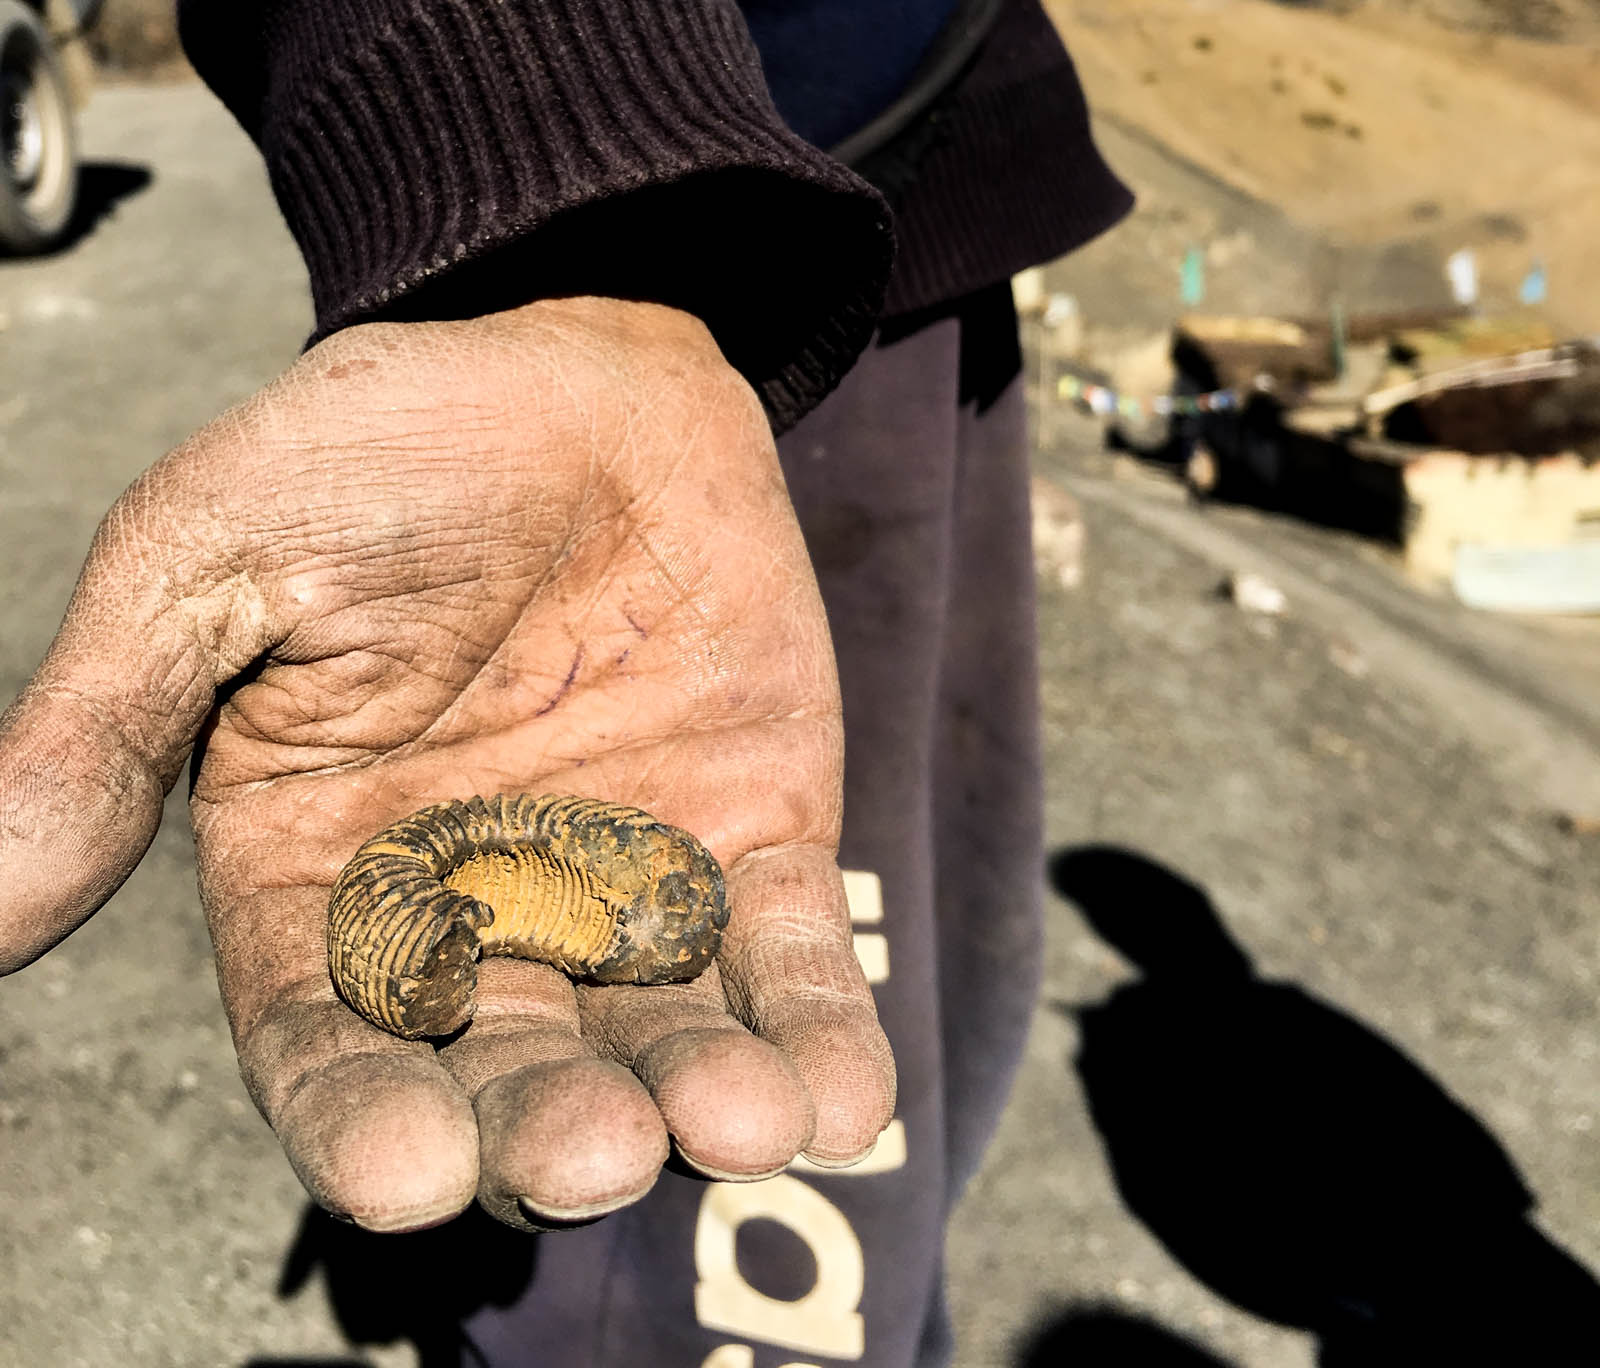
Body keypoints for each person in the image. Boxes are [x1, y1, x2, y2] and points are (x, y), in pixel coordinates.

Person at [0, 2, 1129, 1363]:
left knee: (899, 1035)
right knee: (709, 1158)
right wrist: (557, 205)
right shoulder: (463, 902)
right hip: (688, 197)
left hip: (906, 168)